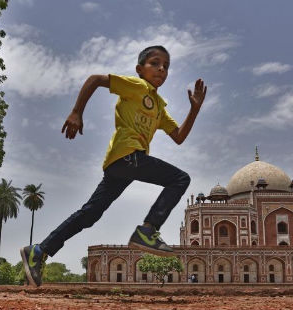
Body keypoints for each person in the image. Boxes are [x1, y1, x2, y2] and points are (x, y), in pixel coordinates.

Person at [20, 45, 207, 287]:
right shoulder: (137, 86)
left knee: (91, 213)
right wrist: (77, 112)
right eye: (155, 63)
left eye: (166, 66)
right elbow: (96, 79)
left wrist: (194, 109)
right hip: (128, 156)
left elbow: (179, 136)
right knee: (180, 179)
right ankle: (147, 231)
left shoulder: (159, 106)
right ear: (139, 69)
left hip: (122, 164)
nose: (161, 68)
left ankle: (39, 250)